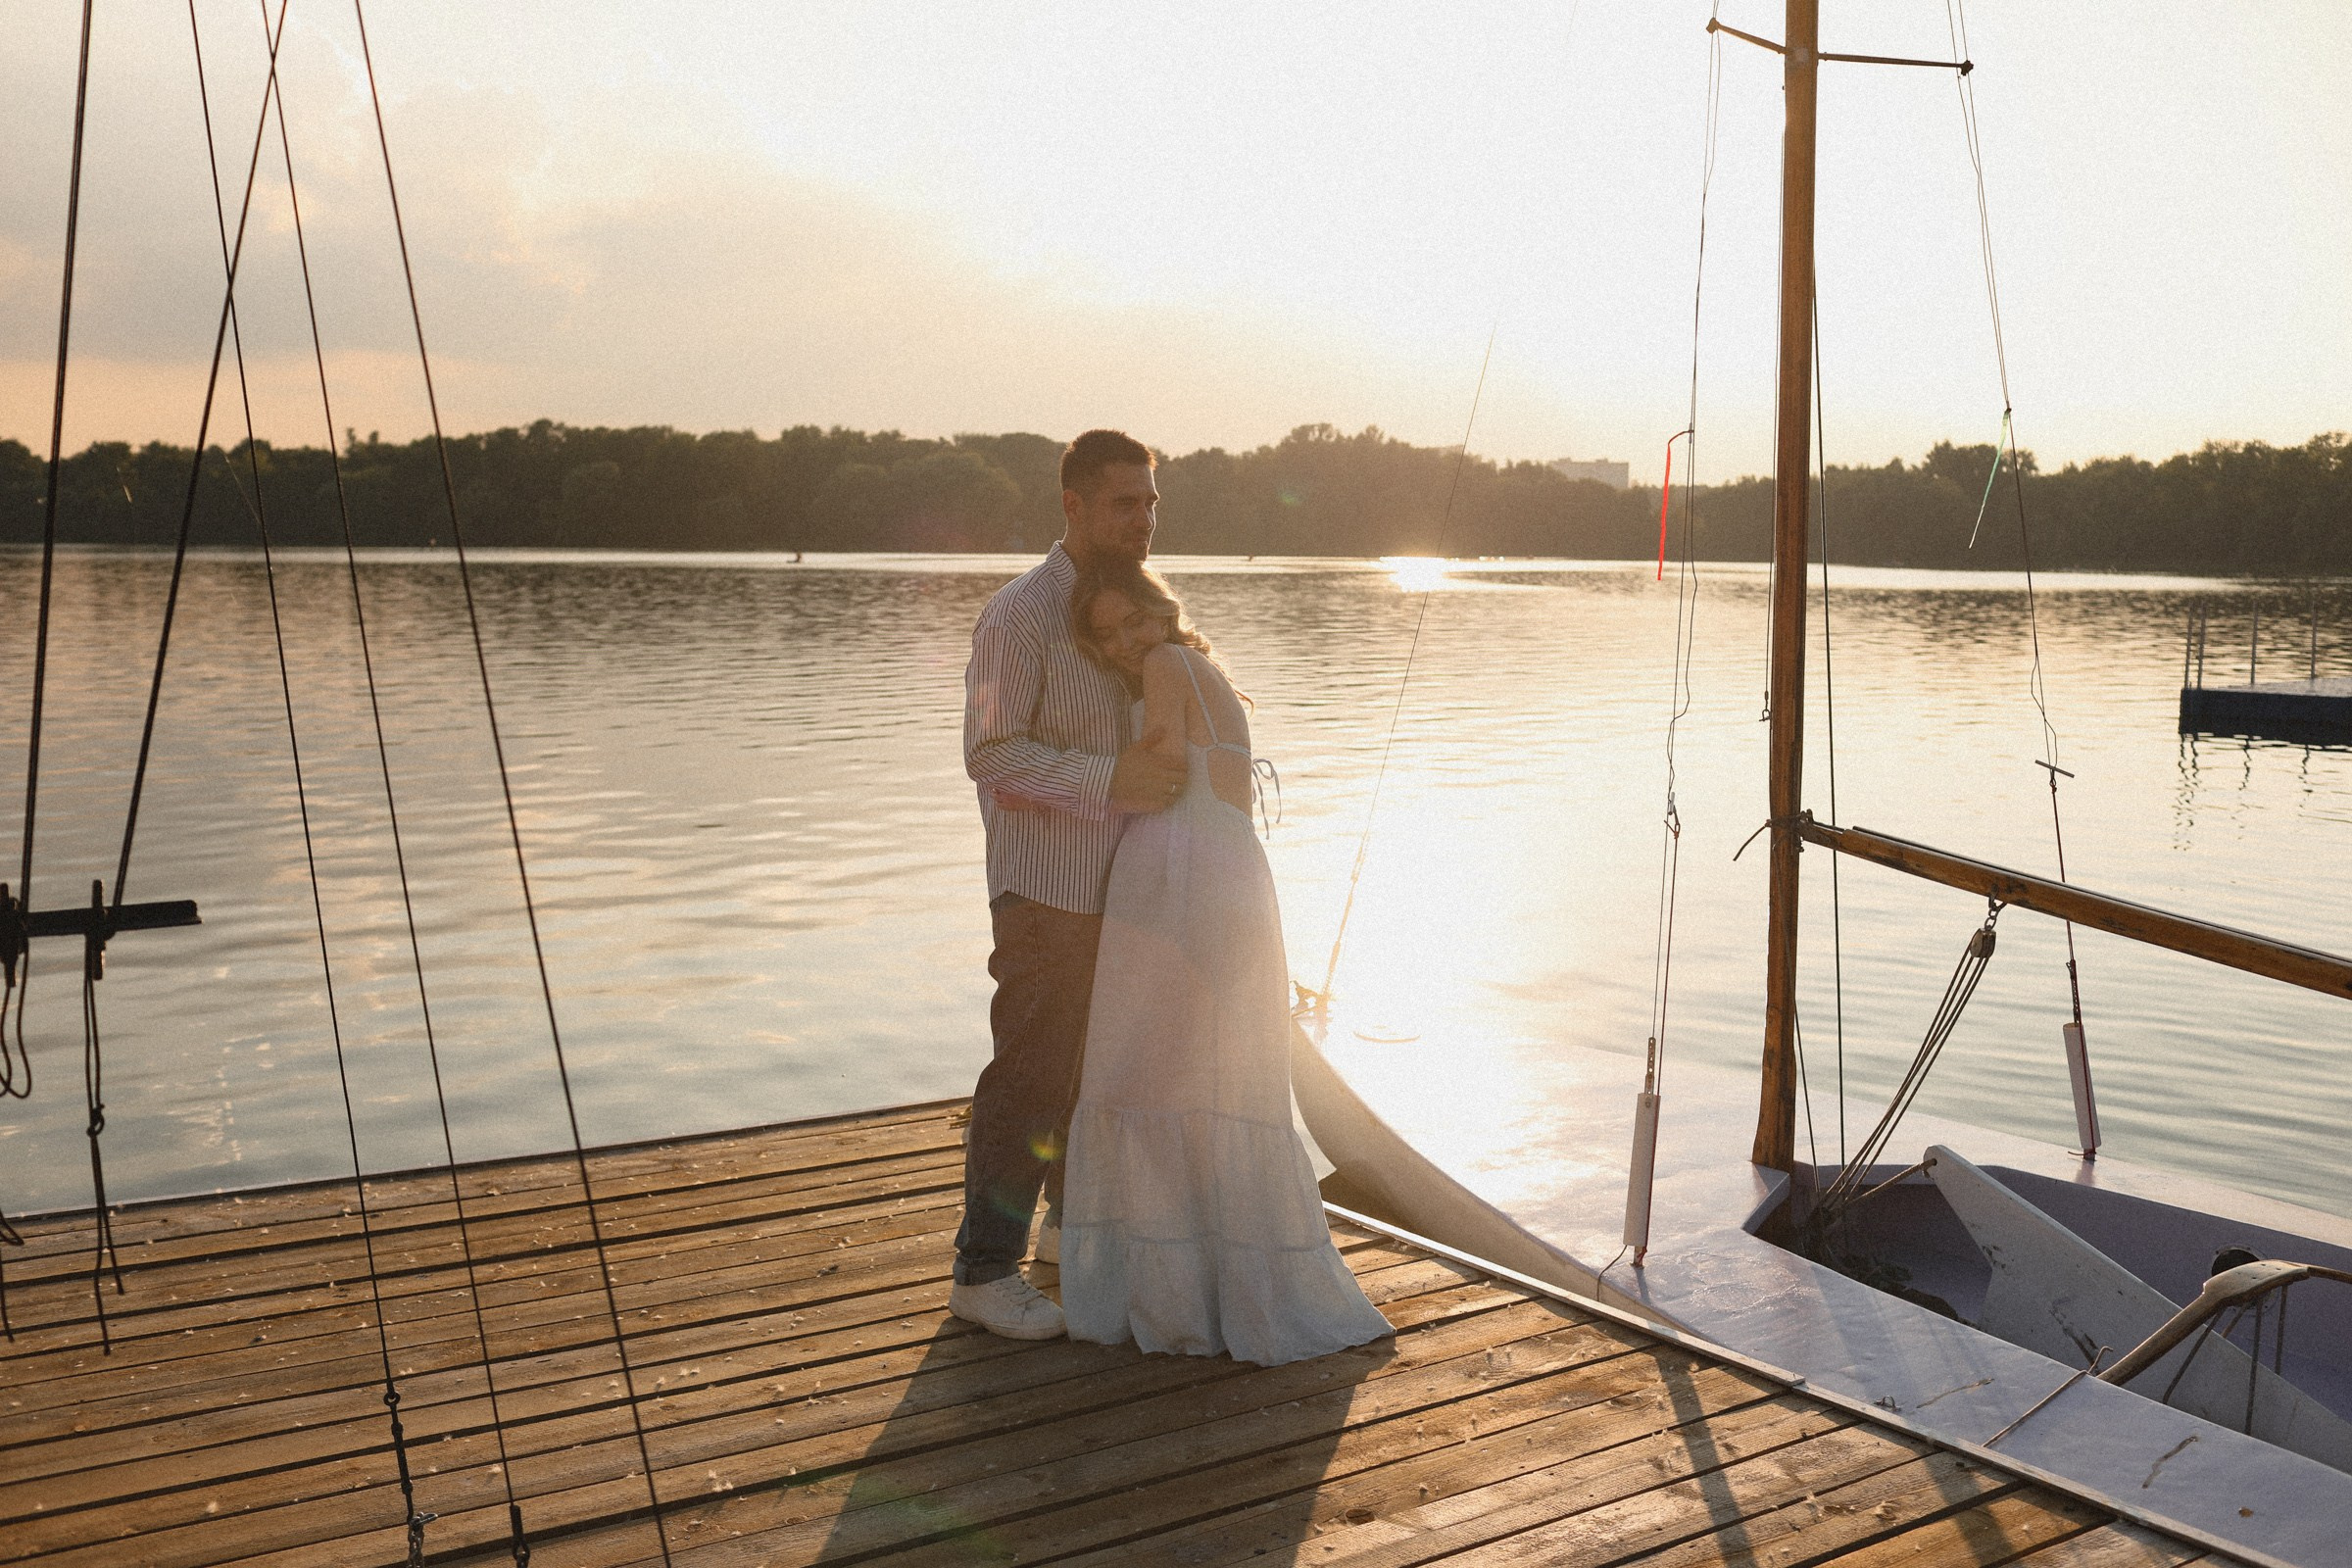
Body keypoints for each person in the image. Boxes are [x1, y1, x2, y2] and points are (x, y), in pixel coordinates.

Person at [1059, 563, 1393, 1365]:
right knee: (1205, 1075)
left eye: (1134, 621)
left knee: (1146, 1068)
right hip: (1223, 872)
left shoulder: (1169, 665)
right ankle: (1216, 1285)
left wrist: (1083, 765)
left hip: (1181, 877)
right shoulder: (1207, 670)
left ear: (1158, 608)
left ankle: (1170, 1294)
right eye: (1109, 635)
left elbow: (1159, 766)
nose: (1127, 642)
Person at [955, 429, 1185, 1340]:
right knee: (1031, 1074)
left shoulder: (1130, 609)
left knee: (1094, 1070)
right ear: (1075, 506)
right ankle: (982, 1269)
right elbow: (989, 751)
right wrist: (1106, 781)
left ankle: (1059, 1233)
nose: (1144, 520)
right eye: (1125, 502)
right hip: (1044, 888)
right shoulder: (1019, 615)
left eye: (1152, 502)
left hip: (1122, 889)